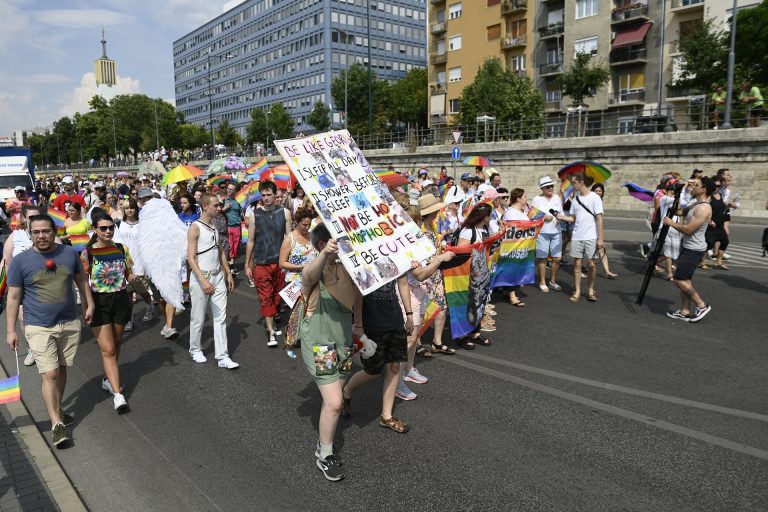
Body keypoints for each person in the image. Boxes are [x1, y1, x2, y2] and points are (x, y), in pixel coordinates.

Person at [5, 214, 94, 447]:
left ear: (54, 232)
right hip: (38, 325)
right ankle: (57, 424)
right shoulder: (21, 261)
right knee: (50, 373)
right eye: (36, 232)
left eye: (46, 231)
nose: (41, 236)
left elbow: (81, 280)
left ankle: (57, 407)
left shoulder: (68, 253)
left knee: (62, 369)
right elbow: (13, 297)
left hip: (68, 322)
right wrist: (11, 330)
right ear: (30, 233)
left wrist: (89, 303)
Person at [297, 224, 363, 481]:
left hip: (343, 341)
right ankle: (325, 452)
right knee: (335, 402)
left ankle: (325, 441)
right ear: (323, 243)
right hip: (319, 343)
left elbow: (359, 295)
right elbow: (307, 275)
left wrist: (359, 326)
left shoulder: (350, 269)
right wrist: (325, 253)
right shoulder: (316, 268)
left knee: (331, 400)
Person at [81, 213, 133, 413]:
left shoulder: (121, 249)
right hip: (99, 303)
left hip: (120, 300)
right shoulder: (87, 253)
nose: (108, 231)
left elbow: (128, 273)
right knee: (108, 349)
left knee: (117, 342)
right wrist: (86, 305)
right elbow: (83, 281)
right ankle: (118, 394)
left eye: (111, 227)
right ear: (95, 229)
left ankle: (107, 379)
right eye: (103, 228)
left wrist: (134, 277)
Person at [186, 194, 239, 368]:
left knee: (220, 317)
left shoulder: (214, 226)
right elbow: (191, 258)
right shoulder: (195, 227)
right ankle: (195, 349)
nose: (219, 208)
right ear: (205, 206)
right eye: (215, 205)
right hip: (202, 278)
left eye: (219, 205)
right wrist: (203, 281)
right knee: (198, 317)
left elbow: (220, 251)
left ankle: (222, 356)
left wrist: (228, 272)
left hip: (217, 276)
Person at [244, 181, 291, 347]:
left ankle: (274, 321)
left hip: (280, 263)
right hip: (261, 263)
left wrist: (292, 260)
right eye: (263, 195)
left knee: (278, 297)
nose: (266, 198)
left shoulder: (284, 213)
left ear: (275, 194)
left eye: (269, 194)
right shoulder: (255, 215)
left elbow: (289, 239)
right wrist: (247, 264)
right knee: (265, 297)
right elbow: (250, 241)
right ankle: (270, 331)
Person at [663, 177, 714, 322]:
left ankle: (702, 305)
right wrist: (681, 190)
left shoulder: (703, 207)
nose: (693, 187)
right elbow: (680, 212)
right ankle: (685, 311)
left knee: (678, 280)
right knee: (686, 280)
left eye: (696, 185)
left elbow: (688, 229)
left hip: (694, 249)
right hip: (687, 247)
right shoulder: (695, 204)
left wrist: (670, 223)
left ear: (703, 189)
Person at [1, 204, 43, 366]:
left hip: (44, 285)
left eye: (37, 216)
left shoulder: (46, 234)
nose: (35, 220)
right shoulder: (16, 236)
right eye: (31, 217)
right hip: (21, 286)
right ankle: (33, 348)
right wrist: (5, 285)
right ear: (24, 218)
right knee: (23, 318)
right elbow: (6, 262)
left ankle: (47, 345)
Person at [557, 173, 604, 303]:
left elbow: (599, 219)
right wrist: (562, 217)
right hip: (577, 236)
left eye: (573, 182)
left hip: (591, 236)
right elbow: (573, 218)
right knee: (577, 264)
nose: (572, 185)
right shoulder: (576, 199)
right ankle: (577, 290)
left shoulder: (595, 198)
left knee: (592, 265)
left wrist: (600, 239)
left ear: (581, 182)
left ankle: (590, 289)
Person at [116, 198, 155, 330]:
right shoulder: (119, 224)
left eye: (132, 207)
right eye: (127, 208)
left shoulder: (143, 224)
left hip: (140, 263)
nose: (130, 210)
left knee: (143, 291)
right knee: (128, 294)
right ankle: (129, 319)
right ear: (124, 210)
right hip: (125, 264)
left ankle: (149, 306)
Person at [531, 176, 563, 292]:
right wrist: (544, 217)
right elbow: (532, 216)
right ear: (542, 188)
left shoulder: (557, 198)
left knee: (557, 258)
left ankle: (553, 281)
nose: (550, 188)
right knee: (542, 258)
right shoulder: (537, 199)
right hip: (543, 232)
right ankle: (542, 281)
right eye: (548, 187)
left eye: (552, 186)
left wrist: (560, 218)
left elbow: (561, 212)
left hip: (556, 231)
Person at [278, 207, 317, 286]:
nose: (307, 227)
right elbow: (282, 263)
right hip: (294, 282)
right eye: (304, 225)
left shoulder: (312, 236)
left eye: (309, 225)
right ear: (297, 222)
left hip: (312, 280)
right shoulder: (289, 240)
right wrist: (301, 267)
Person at [502, 189, 528, 307]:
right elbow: (513, 230)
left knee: (517, 269)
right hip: (513, 246)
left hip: (522, 245)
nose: (526, 199)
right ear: (518, 199)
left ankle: (508, 290)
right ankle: (512, 295)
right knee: (512, 269)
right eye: (525, 197)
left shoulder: (522, 212)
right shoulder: (511, 212)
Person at [590, 183, 619, 279]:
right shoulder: (590, 201)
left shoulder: (600, 202)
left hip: (597, 230)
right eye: (596, 190)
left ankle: (607, 271)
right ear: (592, 191)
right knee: (587, 253)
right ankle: (580, 269)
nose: (598, 192)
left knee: (601, 250)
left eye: (600, 191)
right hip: (589, 231)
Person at [221, 182, 243, 272]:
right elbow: (217, 213)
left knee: (236, 247)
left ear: (235, 191)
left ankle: (232, 264)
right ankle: (230, 267)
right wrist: (224, 208)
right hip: (228, 227)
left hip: (237, 226)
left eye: (231, 189)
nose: (228, 190)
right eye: (228, 188)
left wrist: (242, 214)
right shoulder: (223, 201)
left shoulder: (238, 201)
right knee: (229, 247)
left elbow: (241, 214)